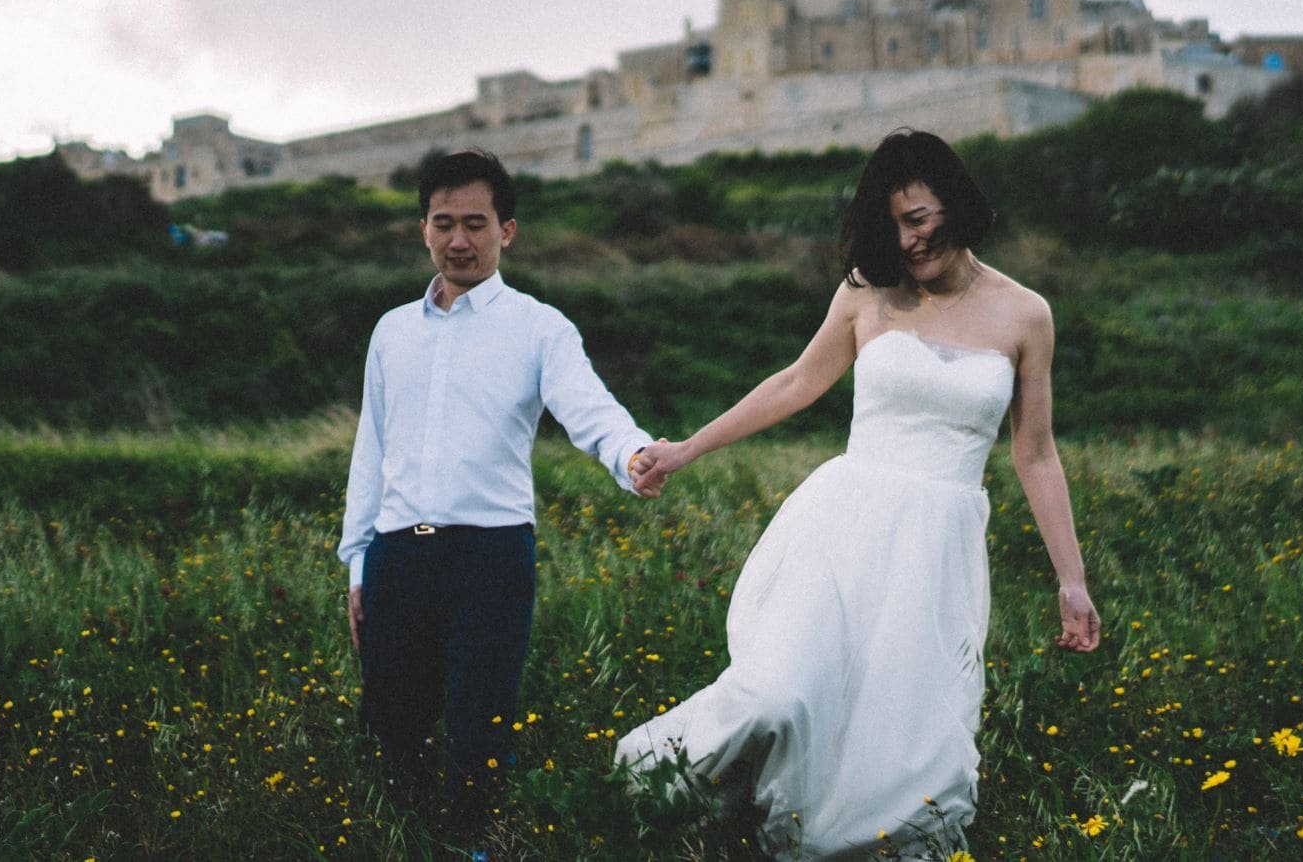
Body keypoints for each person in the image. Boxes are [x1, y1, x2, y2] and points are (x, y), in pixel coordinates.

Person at [620, 129, 1101, 860]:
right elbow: (795, 383)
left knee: (898, 735)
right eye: (893, 226)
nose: (908, 242)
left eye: (919, 219)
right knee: (779, 694)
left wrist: (1072, 580)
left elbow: (1035, 454)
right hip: (843, 526)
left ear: (958, 205)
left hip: (935, 549)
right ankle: (646, 792)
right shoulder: (865, 292)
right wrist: (686, 449)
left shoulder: (1025, 314)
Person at [339, 148, 661, 836]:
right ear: (423, 228)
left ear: (506, 231)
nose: (460, 240)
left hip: (489, 557)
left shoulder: (540, 327)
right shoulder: (391, 331)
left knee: (478, 733)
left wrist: (632, 454)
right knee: (391, 731)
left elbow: (591, 410)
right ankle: (404, 847)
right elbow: (373, 450)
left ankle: (473, 850)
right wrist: (357, 563)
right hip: (396, 558)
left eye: (476, 224)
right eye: (444, 222)